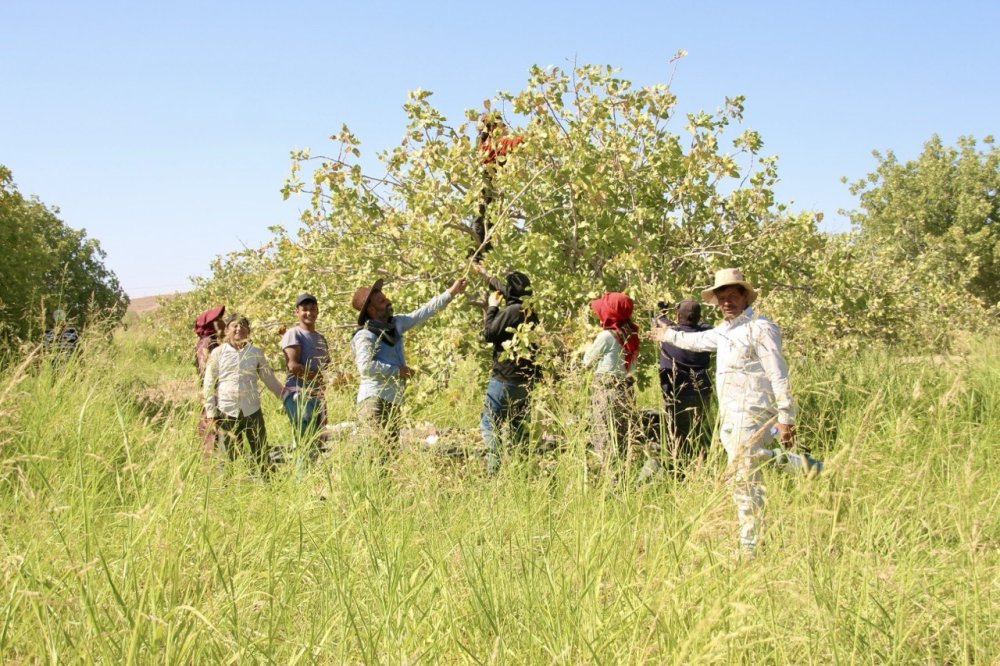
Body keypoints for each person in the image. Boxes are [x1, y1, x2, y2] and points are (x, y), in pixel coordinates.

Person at [650, 268, 822, 557]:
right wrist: (668, 334)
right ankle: (805, 465)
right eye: (722, 298)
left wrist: (786, 417)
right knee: (750, 463)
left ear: (745, 296)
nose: (727, 302)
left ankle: (750, 546)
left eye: (732, 296)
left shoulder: (761, 328)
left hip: (754, 410)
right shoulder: (726, 330)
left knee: (742, 478)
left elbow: (778, 373)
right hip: (731, 413)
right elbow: (697, 342)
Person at [351, 276, 468, 461]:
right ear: (372, 310)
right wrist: (397, 371)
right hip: (374, 401)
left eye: (385, 297)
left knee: (389, 455)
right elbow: (365, 367)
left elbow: (423, 312)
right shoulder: (364, 335)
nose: (388, 301)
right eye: (382, 301)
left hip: (392, 400)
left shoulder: (395, 324)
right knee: (374, 455)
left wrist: (451, 292)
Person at [472, 264, 540, 475]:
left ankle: (494, 469)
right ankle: (522, 472)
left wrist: (492, 307)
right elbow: (506, 288)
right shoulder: (529, 311)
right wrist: (484, 274)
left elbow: (489, 334)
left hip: (504, 380)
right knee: (519, 428)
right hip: (524, 381)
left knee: (489, 423)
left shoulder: (511, 311)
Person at [203, 314, 285, 473]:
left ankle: (267, 484)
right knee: (228, 453)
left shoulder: (256, 352)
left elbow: (269, 379)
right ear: (227, 329)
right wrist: (211, 412)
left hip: (252, 409)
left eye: (243, 325)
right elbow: (208, 383)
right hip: (227, 410)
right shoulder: (218, 353)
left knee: (260, 450)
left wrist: (286, 397)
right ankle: (226, 488)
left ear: (249, 330)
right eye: (234, 325)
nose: (239, 328)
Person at [583, 292, 641, 476]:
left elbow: (587, 362)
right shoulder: (631, 336)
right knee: (621, 438)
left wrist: (585, 348)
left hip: (605, 391)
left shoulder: (606, 336)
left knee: (604, 437)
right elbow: (632, 366)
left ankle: (610, 482)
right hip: (624, 391)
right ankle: (621, 478)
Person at [656, 299, 714, 465]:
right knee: (697, 431)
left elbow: (660, 322)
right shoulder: (706, 335)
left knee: (676, 434)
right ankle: (699, 465)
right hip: (701, 391)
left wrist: (662, 312)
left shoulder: (670, 335)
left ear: (677, 315)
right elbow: (705, 325)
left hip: (677, 393)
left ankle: (678, 467)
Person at [469, 112, 524, 260]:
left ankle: (480, 252)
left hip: (486, 184)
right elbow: (515, 142)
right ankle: (478, 253)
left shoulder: (483, 142)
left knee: (484, 219)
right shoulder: (494, 142)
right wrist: (531, 136)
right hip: (487, 183)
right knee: (482, 220)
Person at [280, 293, 330, 457]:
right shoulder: (294, 334)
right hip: (299, 394)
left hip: (317, 395)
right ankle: (301, 477)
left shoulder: (321, 338)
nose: (309, 313)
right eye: (305, 309)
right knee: (304, 442)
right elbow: (293, 366)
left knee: (319, 441)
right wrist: (317, 377)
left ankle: (314, 480)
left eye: (313, 309)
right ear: (297, 312)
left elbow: (326, 368)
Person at [193, 304, 226, 454]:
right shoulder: (208, 343)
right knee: (212, 436)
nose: (223, 322)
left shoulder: (210, 342)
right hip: (213, 396)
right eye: (219, 319)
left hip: (214, 395)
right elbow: (209, 374)